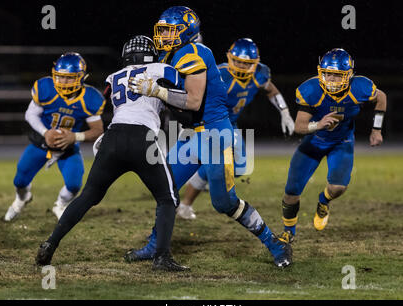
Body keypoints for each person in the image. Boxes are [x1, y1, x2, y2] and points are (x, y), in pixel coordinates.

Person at [128, 6, 292, 268]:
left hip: (214, 134)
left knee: (224, 202)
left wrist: (156, 91)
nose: (164, 36)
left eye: (170, 30)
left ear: (187, 32)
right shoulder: (170, 53)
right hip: (191, 135)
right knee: (165, 189)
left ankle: (275, 244)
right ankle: (154, 246)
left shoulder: (195, 53)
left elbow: (192, 102)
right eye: (163, 30)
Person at [35, 36, 189, 272]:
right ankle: (161, 257)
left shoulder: (113, 77)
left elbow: (107, 100)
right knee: (168, 198)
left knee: (88, 196)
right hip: (143, 138)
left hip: (113, 136)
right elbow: (182, 104)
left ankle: (50, 243)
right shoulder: (163, 69)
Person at [176, 38, 295, 220]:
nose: (240, 66)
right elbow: (193, 94)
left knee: (239, 167)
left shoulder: (260, 74)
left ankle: (202, 181)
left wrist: (284, 111)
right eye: (237, 61)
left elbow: (272, 90)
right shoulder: (219, 73)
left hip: (230, 125)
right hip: (211, 125)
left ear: (255, 63)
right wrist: (190, 124)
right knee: (222, 166)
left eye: (246, 63)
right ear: (229, 58)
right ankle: (185, 204)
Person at [279, 48, 387, 243]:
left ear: (348, 75)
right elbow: (299, 126)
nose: (331, 80)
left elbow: (381, 97)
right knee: (291, 191)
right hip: (314, 143)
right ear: (321, 72)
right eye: (327, 74)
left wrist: (376, 129)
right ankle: (288, 231)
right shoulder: (311, 90)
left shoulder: (360, 87)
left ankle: (324, 200)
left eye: (337, 76)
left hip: (341, 142)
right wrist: (318, 125)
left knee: (338, 187)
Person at [4, 52, 104, 221]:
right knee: (20, 181)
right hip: (41, 143)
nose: (63, 82)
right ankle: (21, 199)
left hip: (68, 148)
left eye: (69, 78)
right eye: (60, 77)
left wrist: (75, 137)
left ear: (81, 77)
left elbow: (97, 130)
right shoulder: (46, 89)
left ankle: (61, 204)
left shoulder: (90, 98)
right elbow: (31, 115)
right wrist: (46, 132)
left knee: (74, 185)